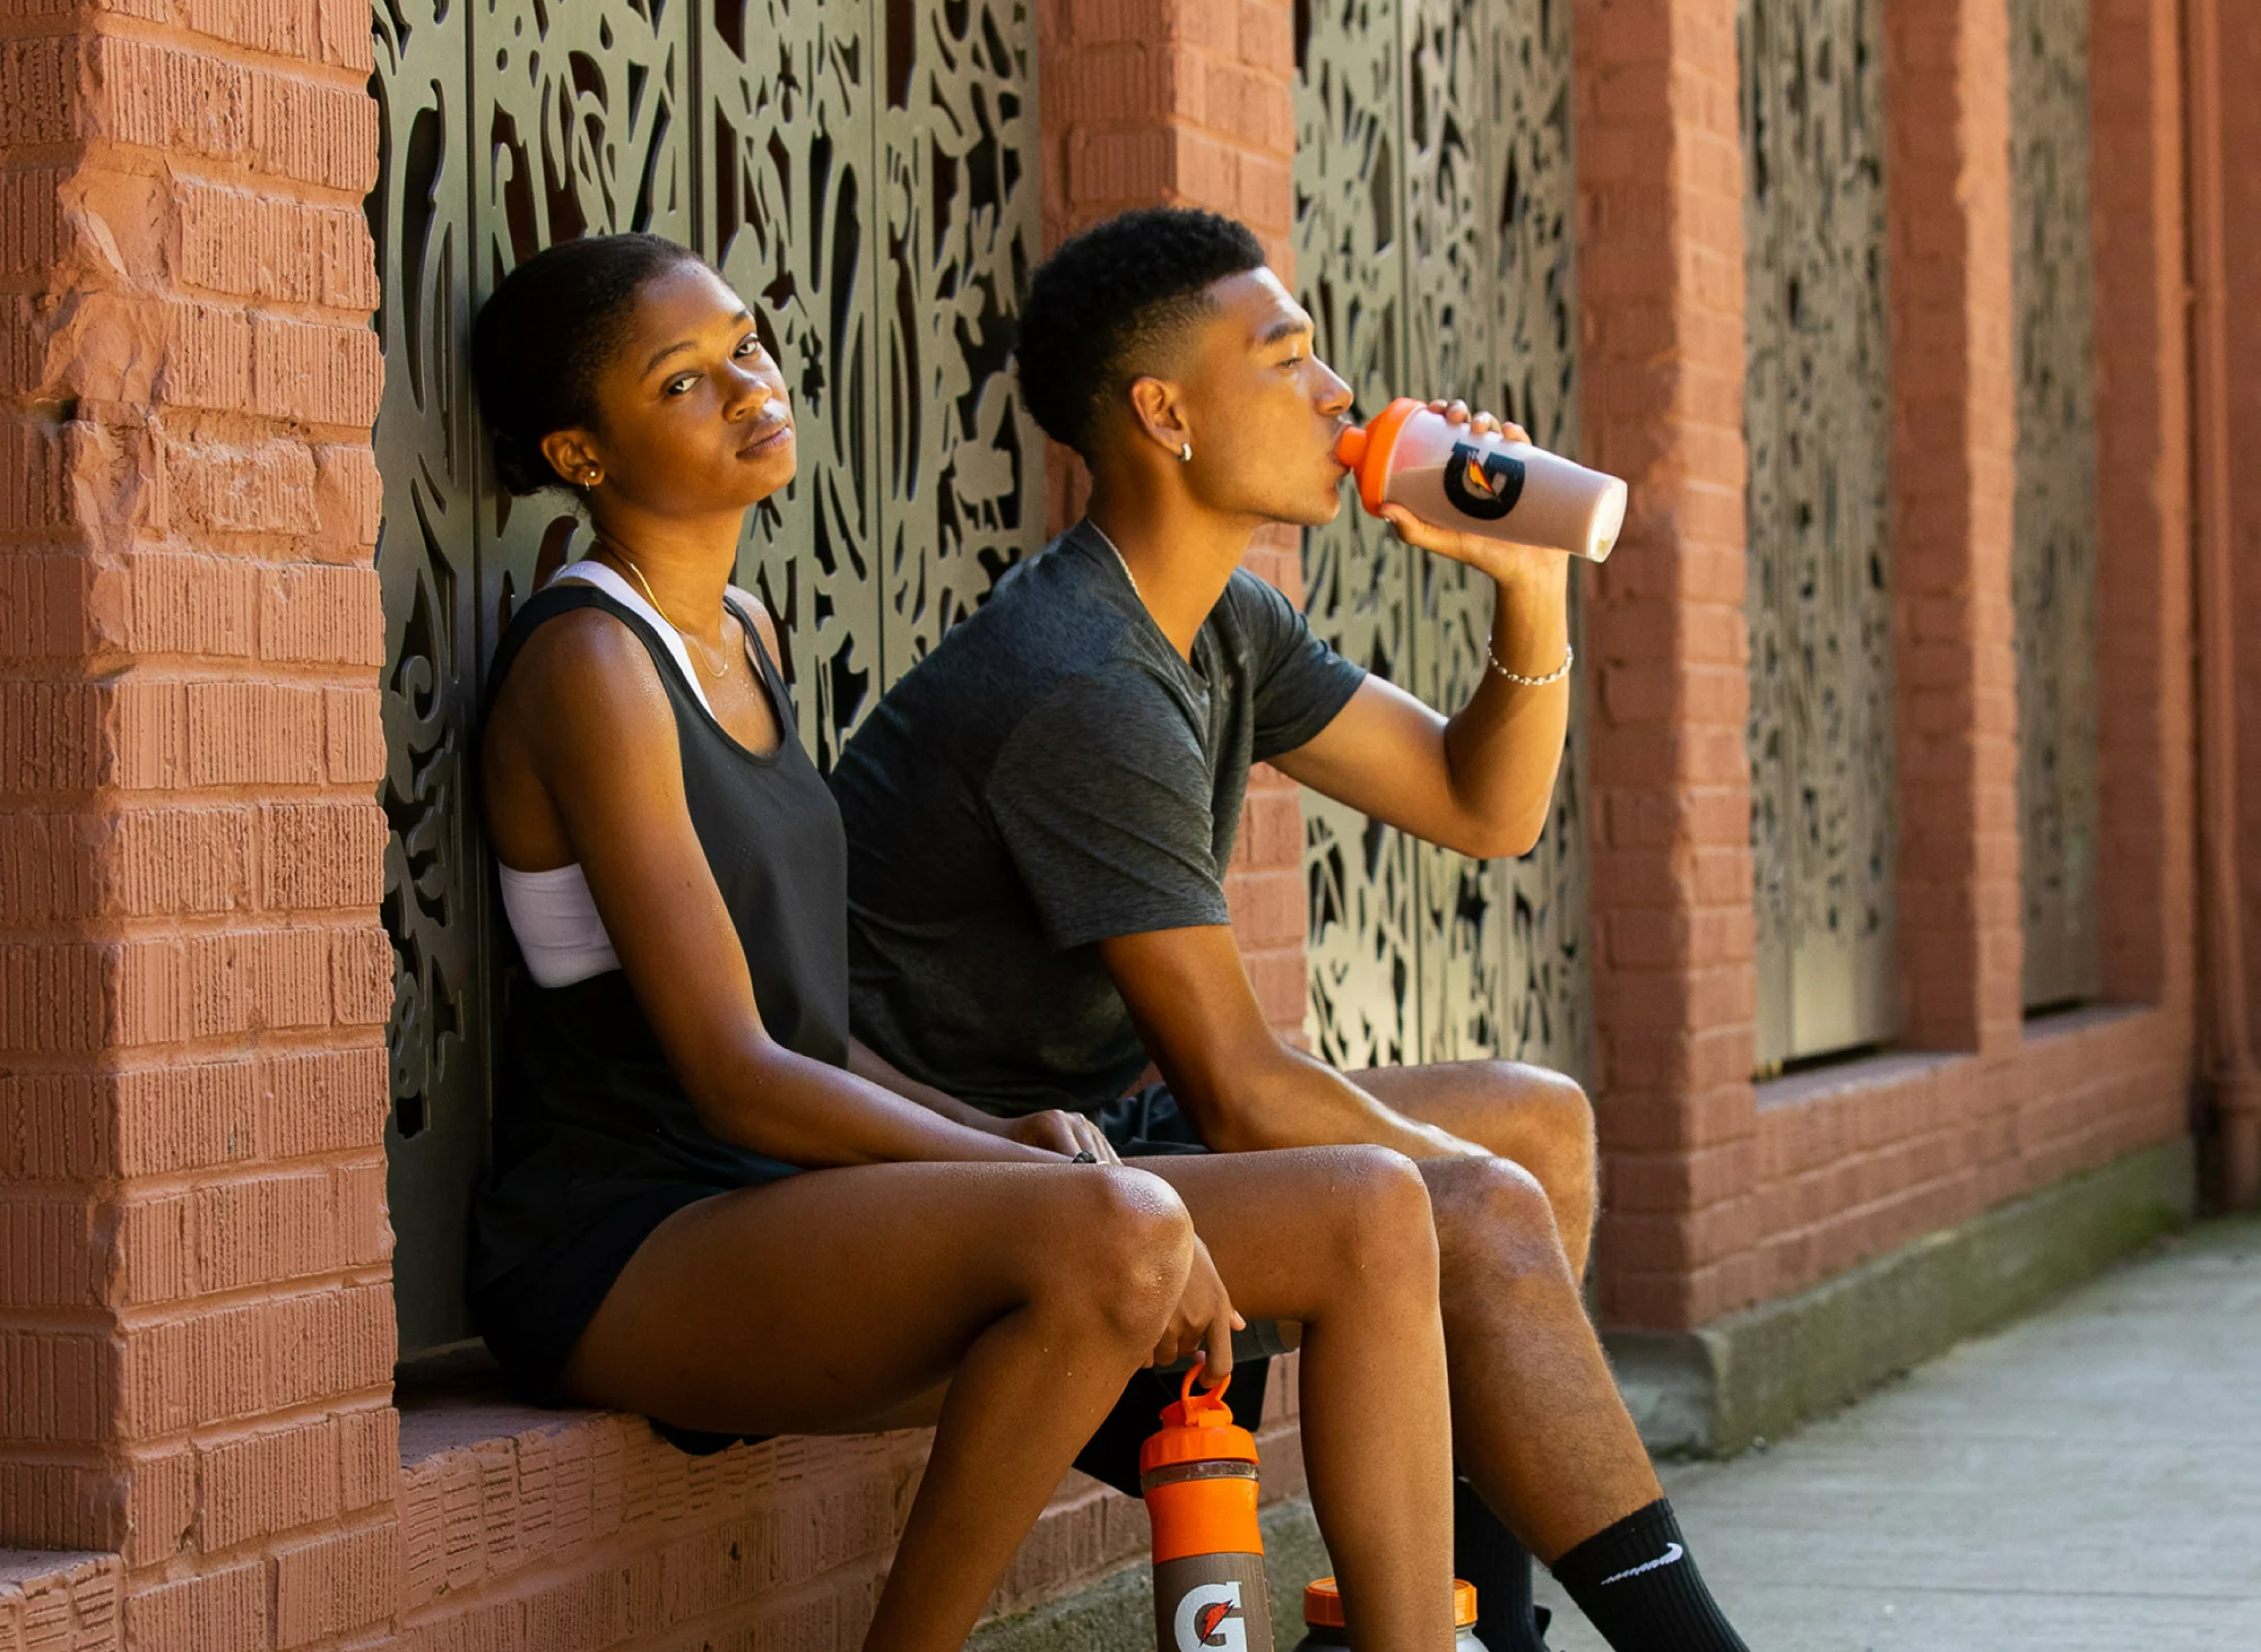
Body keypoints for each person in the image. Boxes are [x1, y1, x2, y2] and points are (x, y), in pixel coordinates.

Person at [463, 232, 1474, 1652]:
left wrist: (1037, 1132)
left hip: (790, 1199)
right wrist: (1046, 1173)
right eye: (683, 382)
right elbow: (740, 1072)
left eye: (746, 346)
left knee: (1369, 1206)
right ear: (581, 450)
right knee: (1119, 1230)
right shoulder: (591, 665)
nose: (750, 386)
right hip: (634, 1237)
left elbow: (812, 1025)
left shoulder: (741, 630)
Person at [829, 207, 1756, 1652]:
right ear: (1165, 413)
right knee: (1478, 1198)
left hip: (1105, 1127)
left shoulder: (1227, 624)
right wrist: (1473, 1204)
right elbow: (1240, 1090)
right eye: (1290, 358)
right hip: (965, 1173)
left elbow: (1479, 800)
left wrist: (1528, 586)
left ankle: (1481, 1623)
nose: (1339, 394)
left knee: (1537, 1129)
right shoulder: (1081, 676)